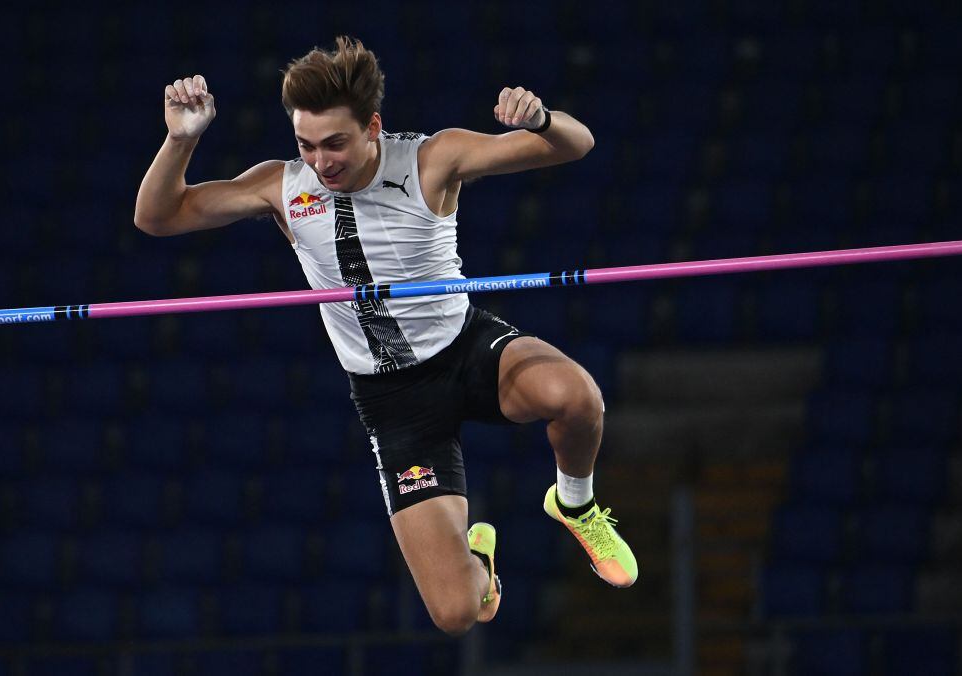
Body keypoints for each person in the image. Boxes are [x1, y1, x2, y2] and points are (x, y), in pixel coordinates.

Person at [134, 35, 636, 636]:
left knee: (577, 397)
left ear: (373, 126)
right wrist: (181, 139)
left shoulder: (434, 158)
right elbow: (156, 217)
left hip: (467, 352)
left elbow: (575, 146)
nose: (322, 162)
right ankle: (480, 561)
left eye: (336, 143)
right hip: (395, 405)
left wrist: (543, 119)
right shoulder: (280, 186)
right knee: (456, 615)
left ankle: (574, 502)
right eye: (307, 145)